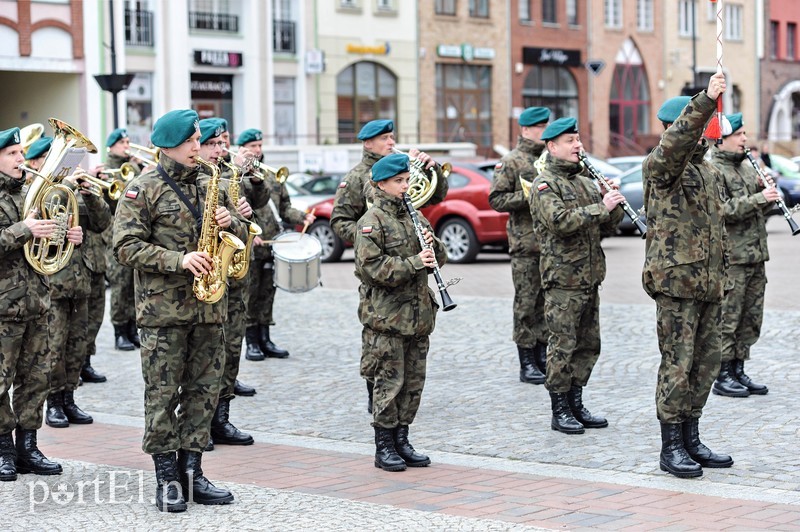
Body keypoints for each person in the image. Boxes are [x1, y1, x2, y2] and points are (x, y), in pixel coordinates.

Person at [114, 110, 243, 511]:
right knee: (163, 394)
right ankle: (166, 478)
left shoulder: (211, 183)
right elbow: (125, 246)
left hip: (209, 308)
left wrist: (232, 220)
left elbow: (236, 232)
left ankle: (193, 472)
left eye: (199, 140)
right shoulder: (143, 188)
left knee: (204, 393)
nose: (198, 147)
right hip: (163, 313)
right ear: (169, 144)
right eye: (191, 141)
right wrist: (179, 260)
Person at [642, 72, 734, 479]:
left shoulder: (708, 172)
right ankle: (671, 446)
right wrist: (705, 102)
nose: (700, 135)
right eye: (693, 127)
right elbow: (674, 149)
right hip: (676, 284)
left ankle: (692, 436)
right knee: (677, 365)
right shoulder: (663, 167)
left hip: (709, 284)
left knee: (706, 362)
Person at [331, 119, 448, 413]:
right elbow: (340, 221)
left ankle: (398, 423)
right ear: (368, 142)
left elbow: (435, 196)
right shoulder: (358, 177)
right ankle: (379, 400)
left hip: (413, 288)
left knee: (410, 370)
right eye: (384, 138)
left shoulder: (405, 182)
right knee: (381, 351)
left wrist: (432, 169)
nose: (391, 142)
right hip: (381, 275)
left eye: (392, 137)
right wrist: (367, 239)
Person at [529, 118, 624, 435]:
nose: (577, 146)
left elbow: (605, 228)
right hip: (563, 280)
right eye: (570, 141)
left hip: (590, 277)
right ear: (552, 146)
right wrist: (601, 207)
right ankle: (560, 409)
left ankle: (576, 401)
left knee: (588, 344)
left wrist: (614, 203)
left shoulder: (585, 182)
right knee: (563, 345)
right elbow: (560, 222)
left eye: (578, 140)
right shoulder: (545, 185)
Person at [354, 153, 447, 472]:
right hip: (387, 320)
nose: (406, 187)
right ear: (381, 184)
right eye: (398, 182)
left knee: (412, 384)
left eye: (407, 180)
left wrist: (434, 247)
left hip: (418, 317)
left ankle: (402, 439)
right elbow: (371, 270)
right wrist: (414, 262)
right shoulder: (371, 222)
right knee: (388, 384)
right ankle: (384, 445)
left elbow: (440, 258)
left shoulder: (416, 217)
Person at [0, 127, 82, 481]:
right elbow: (19, 236)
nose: (22, 159)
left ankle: (28, 447)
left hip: (38, 302)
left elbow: (47, 245)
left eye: (21, 153)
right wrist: (25, 230)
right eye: (13, 154)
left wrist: (68, 236)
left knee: (35, 380)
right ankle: (3, 448)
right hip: (3, 307)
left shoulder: (32, 194)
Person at [195, 118, 267, 450]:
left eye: (224, 144)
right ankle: (201, 423)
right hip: (204, 279)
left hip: (234, 277)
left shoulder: (226, 178)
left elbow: (252, 213)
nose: (222, 150)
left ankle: (221, 418)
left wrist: (241, 217)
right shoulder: (196, 180)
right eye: (215, 144)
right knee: (206, 356)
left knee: (231, 350)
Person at [710, 113, 777, 398]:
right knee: (730, 317)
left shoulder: (749, 168)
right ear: (722, 139)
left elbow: (756, 212)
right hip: (733, 257)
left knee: (751, 316)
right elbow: (723, 210)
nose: (744, 140)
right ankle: (723, 374)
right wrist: (759, 199)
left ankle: (738, 368)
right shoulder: (715, 170)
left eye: (744, 134)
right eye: (738, 135)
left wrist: (768, 198)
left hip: (755, 253)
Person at [44, 167, 112, 428]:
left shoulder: (79, 194)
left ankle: (69, 399)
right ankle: (54, 403)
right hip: (54, 280)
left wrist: (91, 193)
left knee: (77, 344)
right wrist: (68, 187)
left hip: (81, 278)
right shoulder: (43, 189)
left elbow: (102, 222)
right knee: (55, 346)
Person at [238, 127, 314, 361]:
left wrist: (303, 217)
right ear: (243, 149)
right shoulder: (238, 176)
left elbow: (284, 209)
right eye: (253, 147)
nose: (258, 150)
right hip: (252, 246)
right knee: (250, 293)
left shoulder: (272, 177)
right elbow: (239, 211)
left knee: (268, 293)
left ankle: (265, 338)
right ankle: (251, 342)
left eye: (260, 146)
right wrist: (250, 235)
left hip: (274, 244)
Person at [489, 107, 551, 385]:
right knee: (527, 304)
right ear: (526, 130)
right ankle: (527, 361)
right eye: (539, 127)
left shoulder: (552, 158)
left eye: (546, 126)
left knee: (547, 304)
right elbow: (497, 199)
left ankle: (543, 355)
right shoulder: (511, 161)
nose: (544, 131)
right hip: (526, 244)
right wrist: (528, 196)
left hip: (551, 243)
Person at [104, 128, 141, 352]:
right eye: (123, 142)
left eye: (128, 141)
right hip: (114, 235)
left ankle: (132, 328)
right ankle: (119, 331)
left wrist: (137, 167)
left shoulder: (131, 165)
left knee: (132, 284)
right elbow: (113, 203)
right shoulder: (108, 168)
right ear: (113, 146)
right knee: (120, 284)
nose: (127, 145)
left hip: (134, 233)